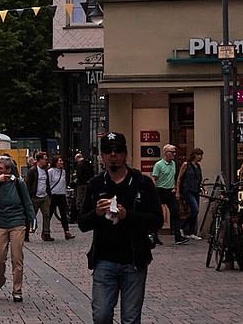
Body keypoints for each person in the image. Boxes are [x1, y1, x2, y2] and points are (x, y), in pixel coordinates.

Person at [77, 132, 161, 324]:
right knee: (101, 316)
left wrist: (127, 216)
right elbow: (82, 223)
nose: (113, 155)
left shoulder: (142, 183)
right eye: (108, 151)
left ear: (125, 154)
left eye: (117, 150)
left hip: (134, 261)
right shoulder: (95, 184)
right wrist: (96, 213)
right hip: (104, 260)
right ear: (102, 156)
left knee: (130, 319)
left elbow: (156, 220)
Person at [0, 154, 35, 303]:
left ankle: (17, 290)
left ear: (9, 169)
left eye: (0, 169)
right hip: (0, 223)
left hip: (17, 222)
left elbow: (27, 202)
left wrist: (32, 220)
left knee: (17, 258)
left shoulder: (19, 183)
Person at [150, 145, 178, 245]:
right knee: (158, 214)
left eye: (175, 152)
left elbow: (173, 176)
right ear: (166, 153)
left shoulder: (173, 164)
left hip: (170, 191)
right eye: (172, 152)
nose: (174, 154)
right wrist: (154, 190)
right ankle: (154, 235)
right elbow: (154, 178)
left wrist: (175, 187)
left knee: (175, 212)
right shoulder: (159, 165)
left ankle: (178, 236)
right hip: (160, 190)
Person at [176, 148, 204, 241]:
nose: (200, 157)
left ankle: (191, 232)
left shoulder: (198, 166)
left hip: (195, 190)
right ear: (195, 155)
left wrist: (204, 188)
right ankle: (181, 226)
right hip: (187, 189)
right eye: (199, 155)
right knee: (195, 209)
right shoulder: (186, 165)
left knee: (195, 211)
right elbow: (180, 177)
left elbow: (200, 179)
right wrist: (178, 191)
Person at [28, 152, 57, 241]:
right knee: (32, 215)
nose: (47, 161)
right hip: (35, 197)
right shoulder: (32, 171)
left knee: (47, 214)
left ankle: (46, 233)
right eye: (45, 159)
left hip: (44, 196)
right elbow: (28, 184)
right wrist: (29, 196)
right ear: (40, 160)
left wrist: (49, 194)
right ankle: (26, 233)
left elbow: (47, 183)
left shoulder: (45, 171)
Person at [51, 156, 74, 238]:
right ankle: (46, 231)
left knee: (63, 214)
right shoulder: (51, 171)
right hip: (53, 195)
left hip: (61, 195)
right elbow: (49, 183)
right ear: (56, 162)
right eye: (60, 161)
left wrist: (65, 195)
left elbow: (64, 184)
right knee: (49, 214)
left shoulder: (63, 172)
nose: (62, 162)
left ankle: (67, 231)